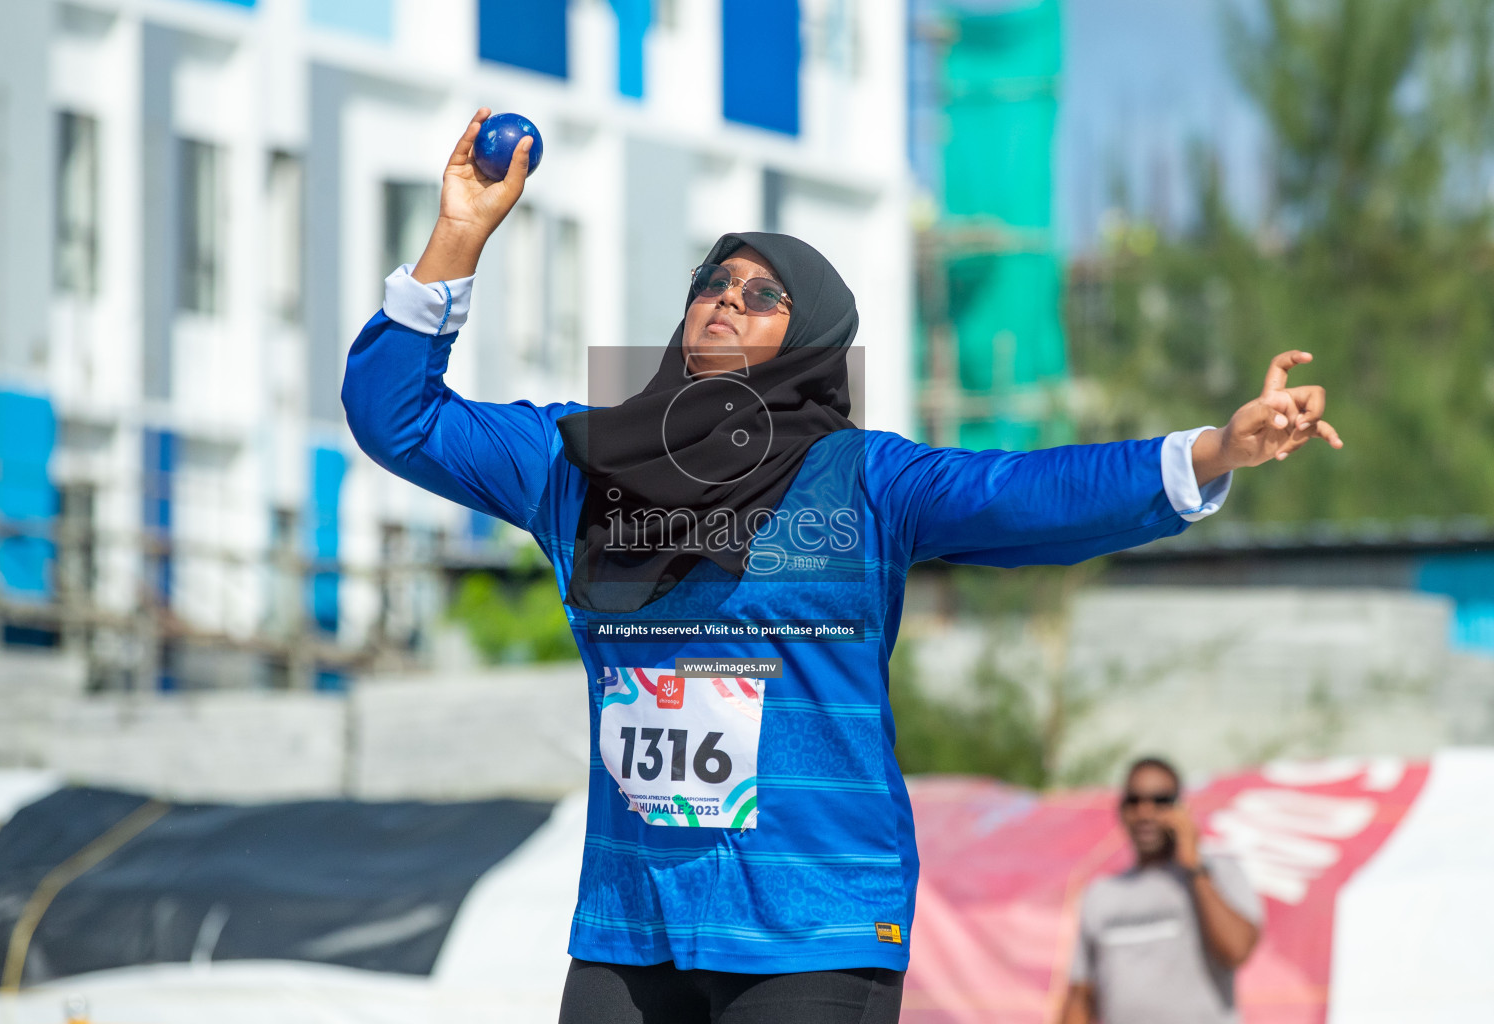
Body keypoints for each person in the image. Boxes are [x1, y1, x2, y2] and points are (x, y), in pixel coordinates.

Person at [341, 110, 1339, 1023]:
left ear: (810, 338)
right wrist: (460, 234)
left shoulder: (864, 482)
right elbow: (398, 417)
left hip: (811, 923)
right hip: (633, 919)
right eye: (713, 285)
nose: (728, 300)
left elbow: (1027, 494)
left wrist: (1210, 451)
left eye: (763, 294)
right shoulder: (574, 464)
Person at [1059, 757, 1264, 1024]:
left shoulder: (1218, 873)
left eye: (1160, 801)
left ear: (1181, 809)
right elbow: (1081, 993)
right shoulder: (1101, 894)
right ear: (1121, 810)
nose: (1145, 813)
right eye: (1135, 801)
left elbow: (1237, 950)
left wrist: (1195, 867)